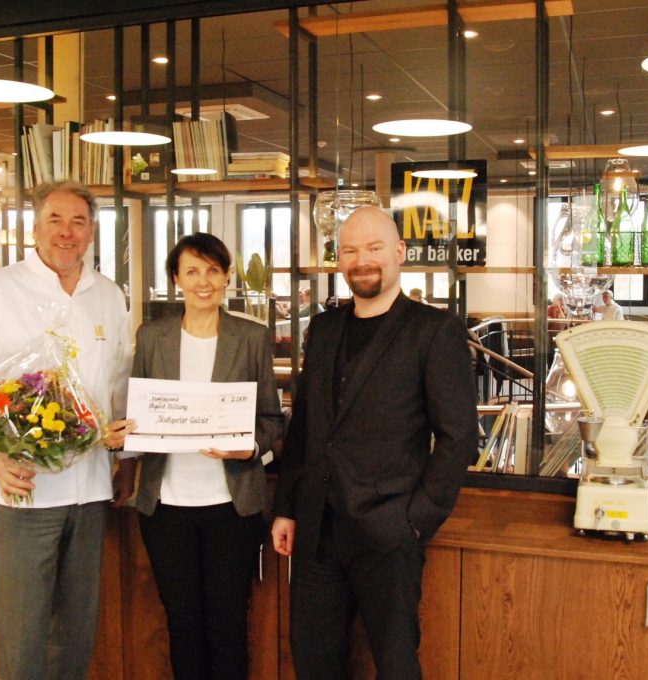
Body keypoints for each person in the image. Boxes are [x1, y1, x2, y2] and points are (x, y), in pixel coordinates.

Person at [0, 181, 136, 680]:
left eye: (78, 222)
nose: (66, 233)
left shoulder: (108, 295)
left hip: (90, 491)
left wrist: (125, 457)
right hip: (21, 489)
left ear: (92, 232)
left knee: (76, 629)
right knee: (24, 635)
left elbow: (119, 385)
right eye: (55, 221)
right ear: (35, 228)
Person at [271, 207, 479, 680]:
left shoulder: (433, 329)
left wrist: (415, 522)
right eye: (349, 251)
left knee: (396, 667)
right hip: (316, 532)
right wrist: (286, 508)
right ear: (338, 261)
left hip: (389, 533)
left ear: (400, 254)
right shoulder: (323, 330)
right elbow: (304, 427)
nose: (361, 260)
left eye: (373, 248)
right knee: (314, 663)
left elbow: (457, 435)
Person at [130, 232, 283, 680]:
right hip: (165, 507)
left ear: (227, 277)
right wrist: (127, 430)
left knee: (228, 625)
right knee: (183, 624)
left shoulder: (252, 337)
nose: (203, 281)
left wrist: (251, 446)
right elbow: (139, 411)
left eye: (213, 271)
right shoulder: (152, 336)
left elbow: (272, 420)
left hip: (230, 506)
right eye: (192, 271)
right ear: (176, 279)